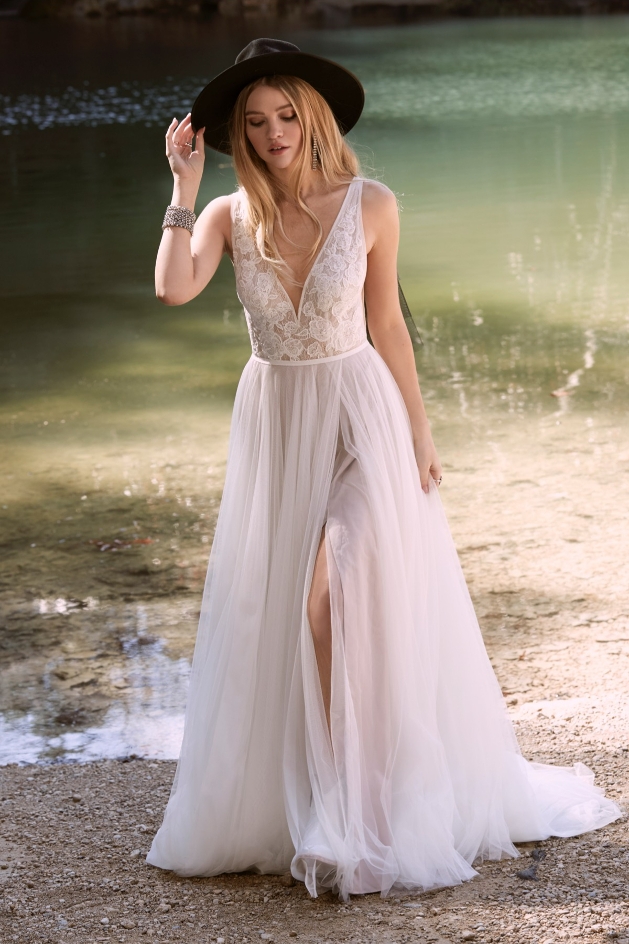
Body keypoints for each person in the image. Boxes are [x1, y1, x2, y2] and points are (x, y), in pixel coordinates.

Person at [147, 39, 620, 900]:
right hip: (279, 425)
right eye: (255, 122)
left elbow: (389, 327)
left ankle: (354, 814)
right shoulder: (224, 212)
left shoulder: (370, 204)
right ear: (237, 136)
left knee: (333, 590)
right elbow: (172, 290)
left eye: (287, 115)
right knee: (296, 608)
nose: (273, 132)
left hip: (362, 419)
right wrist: (180, 191)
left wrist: (420, 433)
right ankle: (325, 799)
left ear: (314, 118)